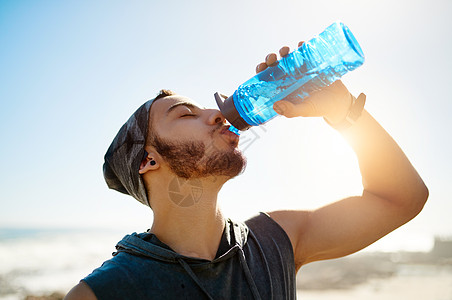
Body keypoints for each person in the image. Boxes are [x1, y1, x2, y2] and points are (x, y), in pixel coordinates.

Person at [64, 43, 428, 300]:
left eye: (208, 108)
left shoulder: (277, 239)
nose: (217, 114)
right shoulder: (101, 293)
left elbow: (402, 199)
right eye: (187, 114)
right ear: (148, 161)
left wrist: (343, 111)